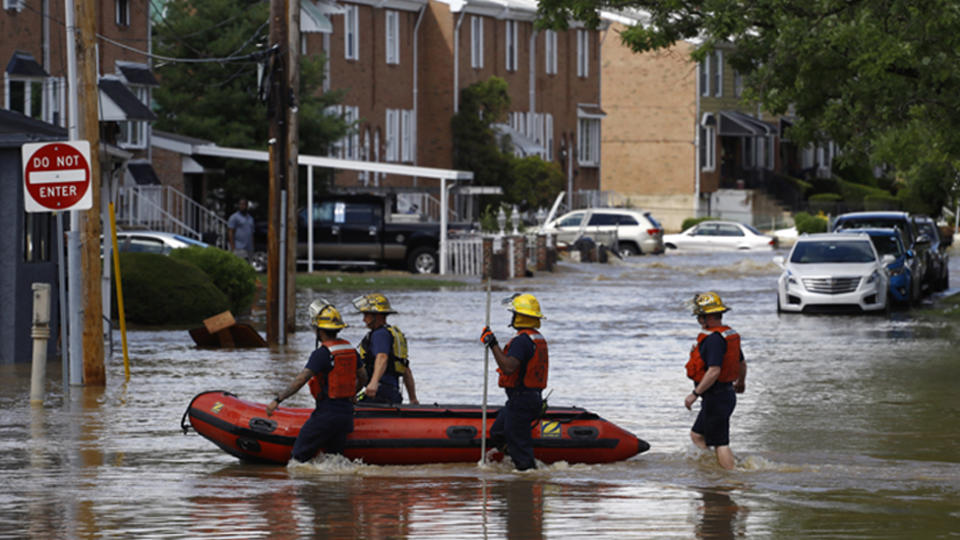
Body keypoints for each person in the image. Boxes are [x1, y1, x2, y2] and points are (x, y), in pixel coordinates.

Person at [265, 299, 367, 463]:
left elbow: (300, 380)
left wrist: (278, 400)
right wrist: (352, 392)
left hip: (326, 414)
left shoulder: (322, 354)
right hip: (346, 415)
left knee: (297, 459)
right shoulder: (350, 350)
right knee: (333, 460)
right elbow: (363, 377)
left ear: (319, 330)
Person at [480, 293, 548, 471]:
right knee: (498, 432)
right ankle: (514, 464)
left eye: (514, 314)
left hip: (522, 400)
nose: (512, 317)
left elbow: (509, 367)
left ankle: (526, 477)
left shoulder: (521, 341)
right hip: (529, 398)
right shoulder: (535, 338)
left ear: (520, 317)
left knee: (520, 448)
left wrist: (492, 343)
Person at [684, 291, 747, 470]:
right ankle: (715, 468)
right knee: (697, 435)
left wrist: (694, 394)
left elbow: (714, 371)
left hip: (717, 397)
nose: (698, 321)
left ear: (707, 318)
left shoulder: (713, 339)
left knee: (721, 442)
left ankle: (730, 478)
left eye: (700, 317)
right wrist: (741, 383)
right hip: (722, 396)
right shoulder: (727, 335)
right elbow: (742, 363)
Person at [352, 293, 418, 404]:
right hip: (392, 393)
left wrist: (373, 383)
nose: (364, 319)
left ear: (377, 315)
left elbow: (382, 357)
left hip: (379, 392)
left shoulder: (379, 335)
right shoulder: (391, 334)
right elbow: (406, 369)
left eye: (366, 315)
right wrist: (413, 398)